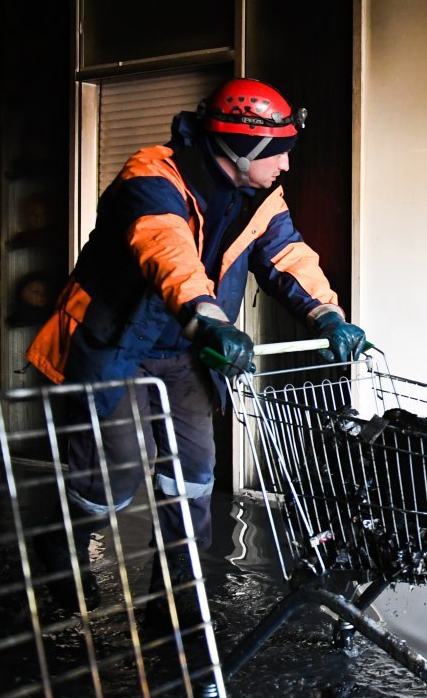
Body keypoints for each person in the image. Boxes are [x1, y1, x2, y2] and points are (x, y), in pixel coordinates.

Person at [25, 77, 366, 628]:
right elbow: (168, 251)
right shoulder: (151, 174)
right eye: (277, 153)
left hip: (187, 350)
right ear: (244, 149)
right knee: (111, 477)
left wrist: (328, 315)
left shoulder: (261, 195)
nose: (285, 166)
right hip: (118, 345)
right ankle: (58, 552)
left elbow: (286, 254)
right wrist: (210, 321)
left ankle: (177, 590)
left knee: (192, 473)